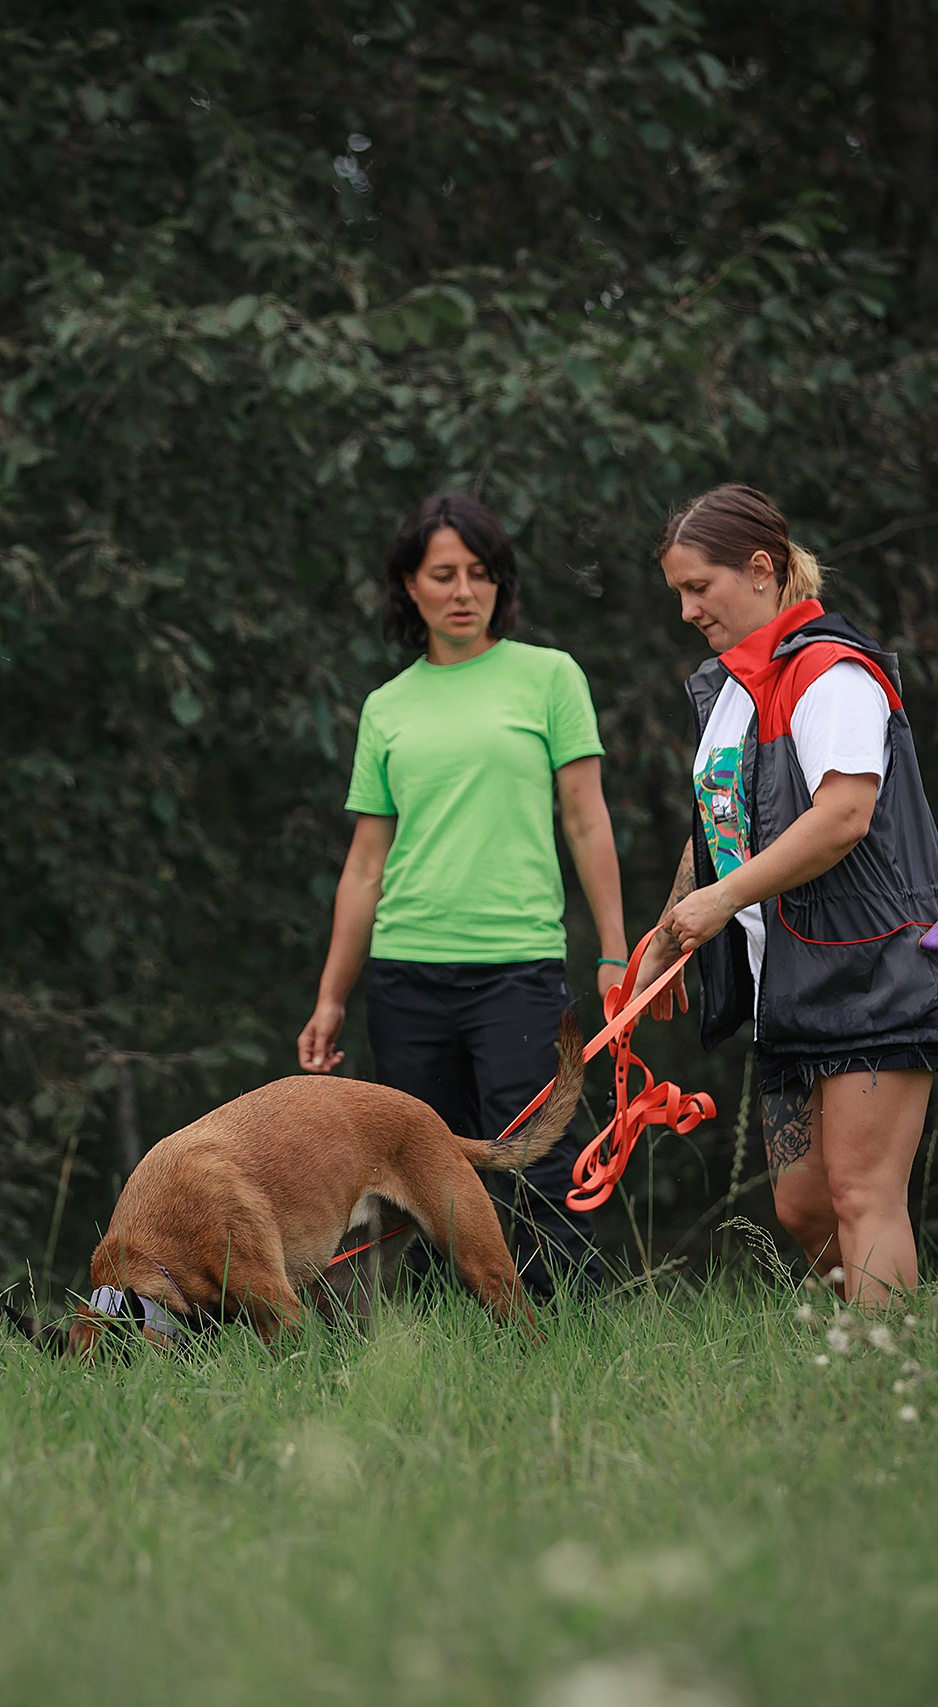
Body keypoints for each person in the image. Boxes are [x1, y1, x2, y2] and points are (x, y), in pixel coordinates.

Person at [635, 484, 938, 1305]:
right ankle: (878, 1338)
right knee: (802, 1206)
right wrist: (669, 930)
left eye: (700, 587)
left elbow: (842, 815)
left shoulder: (830, 674)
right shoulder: (730, 691)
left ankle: (885, 1370)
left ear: (760, 569)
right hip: (788, 982)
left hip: (878, 969)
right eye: (678, 594)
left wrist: (722, 902)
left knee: (864, 1194)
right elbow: (717, 825)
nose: (688, 610)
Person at [297, 492, 630, 1295]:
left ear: (499, 584)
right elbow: (366, 864)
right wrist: (331, 996)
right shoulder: (388, 705)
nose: (462, 591)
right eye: (441, 574)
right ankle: (446, 1345)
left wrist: (617, 953)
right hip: (408, 977)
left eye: (479, 574)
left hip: (516, 969)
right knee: (414, 1183)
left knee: (542, 1161)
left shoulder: (549, 677)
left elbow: (586, 822)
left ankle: (568, 1332)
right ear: (409, 586)